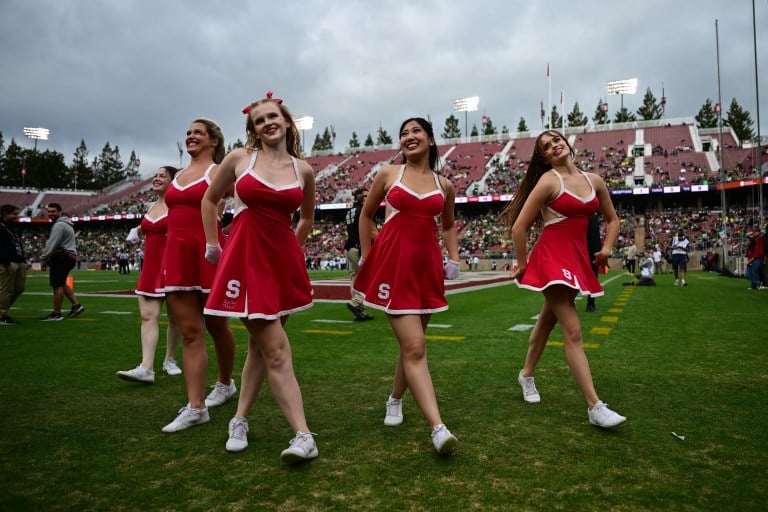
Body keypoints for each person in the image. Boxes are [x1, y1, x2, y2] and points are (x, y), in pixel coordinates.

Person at [201, 93, 318, 463]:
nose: (267, 123)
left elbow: (307, 218)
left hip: (281, 262)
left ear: (285, 121)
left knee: (260, 347)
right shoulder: (239, 158)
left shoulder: (305, 170)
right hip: (246, 258)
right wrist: (213, 244)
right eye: (258, 120)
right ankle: (303, 434)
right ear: (252, 128)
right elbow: (209, 199)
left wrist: (293, 251)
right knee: (277, 349)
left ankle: (239, 419)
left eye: (273, 117)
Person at [500, 129, 626, 429]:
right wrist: (522, 263)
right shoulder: (548, 181)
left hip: (576, 258)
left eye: (556, 140)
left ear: (566, 143)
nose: (553, 146)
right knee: (573, 330)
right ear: (544, 157)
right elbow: (519, 228)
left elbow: (613, 219)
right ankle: (595, 406)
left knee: (548, 320)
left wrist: (606, 249)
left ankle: (526, 375)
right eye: (546, 146)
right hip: (552, 258)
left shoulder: (593, 180)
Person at [353, 117, 461, 455]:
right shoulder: (388, 175)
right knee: (414, 346)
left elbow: (447, 225)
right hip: (394, 269)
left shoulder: (445, 185)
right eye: (404, 133)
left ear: (430, 140)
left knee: (412, 346)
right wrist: (369, 258)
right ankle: (438, 428)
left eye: (416, 132)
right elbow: (366, 216)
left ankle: (395, 399)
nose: (408, 137)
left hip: (426, 269)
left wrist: (454, 258)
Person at [158, 118, 237, 433]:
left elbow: (246, 203)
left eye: (198, 133)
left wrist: (226, 237)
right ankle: (196, 406)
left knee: (218, 326)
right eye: (188, 133)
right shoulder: (176, 177)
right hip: (176, 257)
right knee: (190, 332)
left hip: (209, 256)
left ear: (213, 141)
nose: (190, 136)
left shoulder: (219, 171)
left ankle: (225, 383)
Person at [117, 166, 183, 384]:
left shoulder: (178, 205)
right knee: (147, 317)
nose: (156, 178)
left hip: (173, 266)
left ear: (173, 181)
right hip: (150, 267)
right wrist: (137, 229)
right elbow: (152, 224)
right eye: (155, 175)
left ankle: (169, 359)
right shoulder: (151, 205)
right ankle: (146, 367)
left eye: (162, 176)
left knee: (175, 318)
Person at [39, 203, 85, 321]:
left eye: (53, 211)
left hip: (62, 256)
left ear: (60, 212)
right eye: (49, 211)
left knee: (57, 285)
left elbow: (52, 243)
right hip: (69, 256)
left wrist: (44, 258)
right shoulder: (67, 224)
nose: (51, 214)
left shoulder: (59, 225)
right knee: (62, 283)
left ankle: (56, 313)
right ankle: (76, 305)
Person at [344, 188, 375, 321]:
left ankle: (359, 310)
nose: (369, 197)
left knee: (355, 279)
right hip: (359, 249)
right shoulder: (364, 210)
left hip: (350, 248)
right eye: (366, 196)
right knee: (368, 278)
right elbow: (373, 232)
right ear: (360, 198)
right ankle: (356, 302)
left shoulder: (350, 211)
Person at [0, 204, 27, 325]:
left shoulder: (15, 227)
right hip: (6, 262)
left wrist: (23, 259)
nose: (17, 216)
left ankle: (3, 312)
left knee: (19, 288)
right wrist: (6, 262)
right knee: (6, 290)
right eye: (14, 214)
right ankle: (1, 315)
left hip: (18, 260)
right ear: (5, 214)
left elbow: (18, 244)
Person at [585, 213, 601, 312]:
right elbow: (595, 237)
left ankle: (567, 303)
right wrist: (597, 252)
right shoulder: (592, 217)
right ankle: (590, 304)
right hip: (590, 252)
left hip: (580, 250)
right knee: (592, 278)